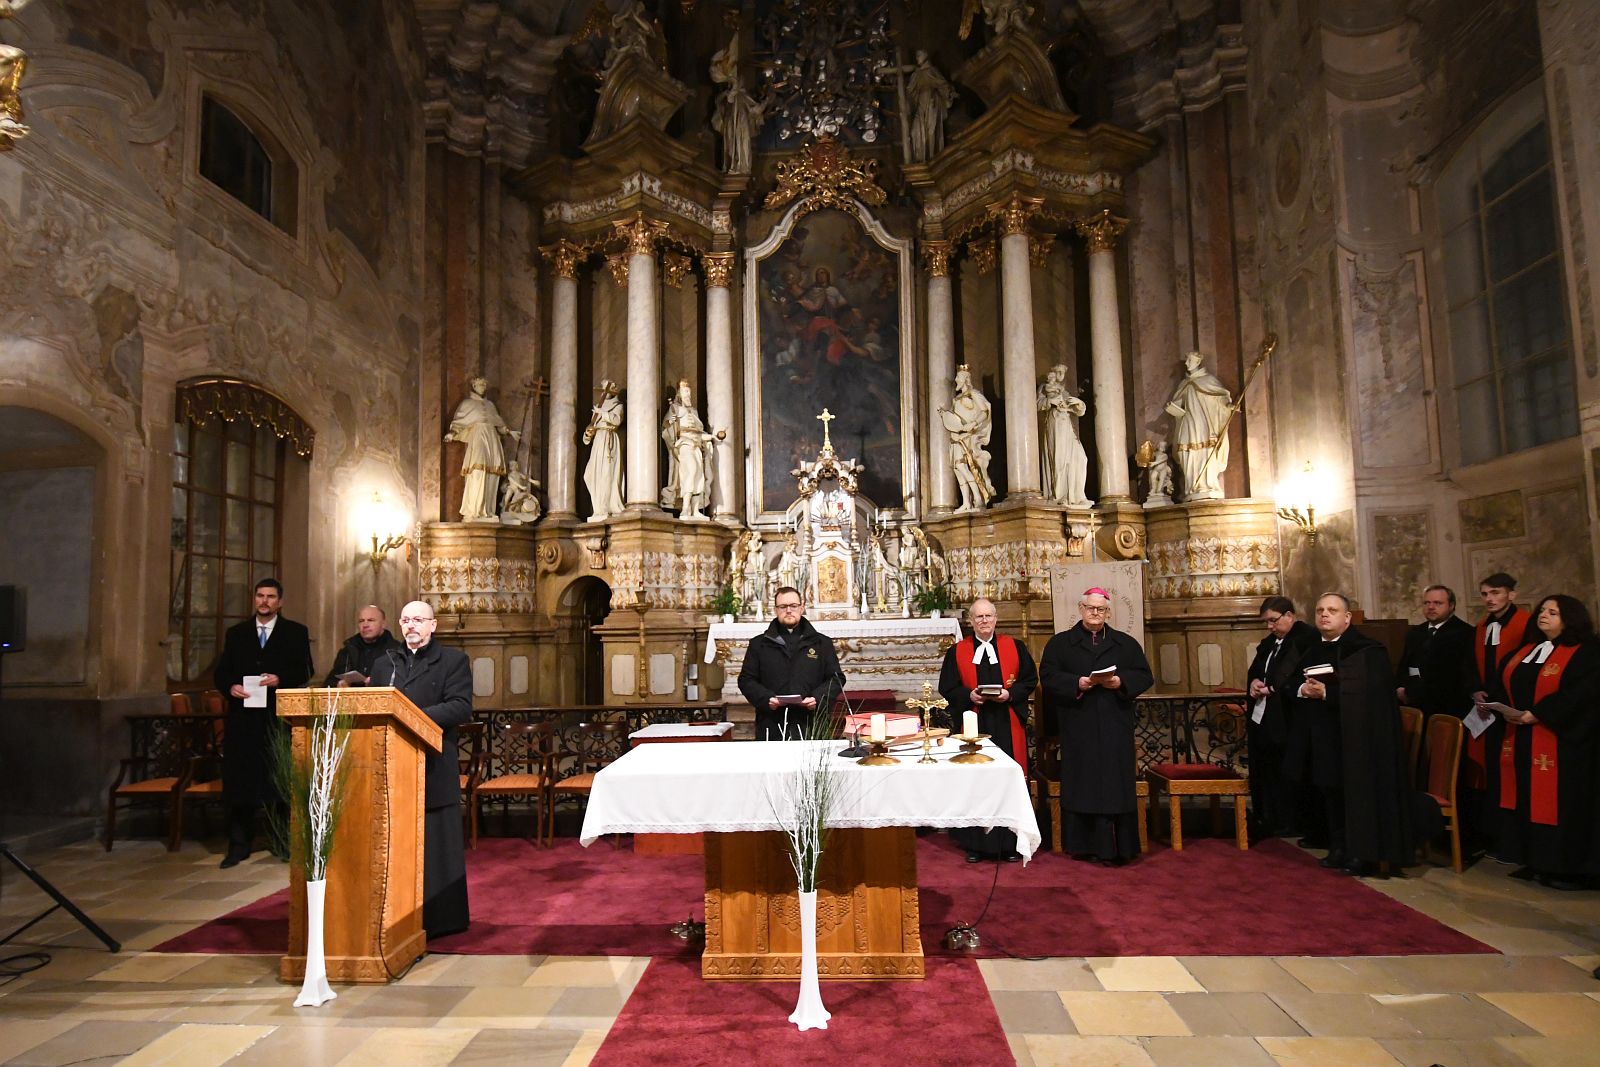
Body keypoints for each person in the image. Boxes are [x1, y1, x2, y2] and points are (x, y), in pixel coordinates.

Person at [1287, 593, 1413, 877]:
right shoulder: (1311, 649)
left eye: (1332, 610)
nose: (1324, 615)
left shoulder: (1368, 650)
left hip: (1360, 739)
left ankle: (1362, 853)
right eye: (1319, 610)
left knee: (1356, 793)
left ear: (1347, 617)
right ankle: (1339, 846)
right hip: (1325, 736)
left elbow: (1374, 693)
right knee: (1331, 790)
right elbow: (1291, 681)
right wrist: (1302, 689)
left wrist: (1327, 693)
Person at [369, 600, 474, 938]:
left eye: (418, 620)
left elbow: (459, 707)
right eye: (406, 620)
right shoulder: (385, 664)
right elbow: (374, 706)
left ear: (434, 625)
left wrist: (412, 718)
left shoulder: (453, 661)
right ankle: (397, 914)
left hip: (433, 765)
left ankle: (442, 919)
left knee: (436, 848)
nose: (411, 625)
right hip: (393, 768)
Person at [1488, 594, 1599, 890]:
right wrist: (1505, 708)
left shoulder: (1586, 652)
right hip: (1524, 735)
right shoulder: (1529, 648)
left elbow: (1580, 694)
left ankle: (1569, 868)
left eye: (1553, 612)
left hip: (1564, 742)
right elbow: (1506, 679)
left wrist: (1538, 714)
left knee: (1562, 803)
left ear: (1570, 619)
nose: (1544, 615)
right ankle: (1536, 861)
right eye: (1542, 610)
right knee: (1527, 798)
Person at [1038, 588, 1153, 864]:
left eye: (1100, 609)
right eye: (1090, 608)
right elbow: (1049, 676)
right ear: (1081, 609)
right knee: (1084, 784)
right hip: (1079, 725)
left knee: (1115, 785)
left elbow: (1144, 675)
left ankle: (1120, 847)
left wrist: (1120, 682)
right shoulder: (1061, 644)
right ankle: (1083, 845)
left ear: (1108, 612)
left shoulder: (1125, 643)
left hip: (1115, 724)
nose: (1095, 613)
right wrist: (1076, 683)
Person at [213, 578, 313, 869]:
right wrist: (230, 686)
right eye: (260, 596)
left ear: (280, 602)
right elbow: (222, 672)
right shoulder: (237, 633)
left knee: (278, 780)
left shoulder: (295, 632)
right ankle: (238, 845)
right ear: (254, 599)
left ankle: (282, 841)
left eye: (270, 596)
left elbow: (306, 668)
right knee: (240, 782)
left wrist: (280, 679)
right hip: (243, 719)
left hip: (277, 717)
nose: (264, 601)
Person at [938, 597, 1037, 862]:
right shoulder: (957, 651)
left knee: (1008, 779)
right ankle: (976, 844)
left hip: (1007, 722)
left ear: (996, 619)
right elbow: (947, 687)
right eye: (979, 617)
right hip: (974, 722)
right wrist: (969, 696)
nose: (984, 621)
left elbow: (1029, 680)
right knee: (975, 781)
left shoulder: (1014, 647)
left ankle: (1010, 843)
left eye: (988, 616)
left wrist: (1010, 693)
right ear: (970, 621)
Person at [1245, 596, 1316, 838]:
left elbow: (1296, 675)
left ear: (1289, 616)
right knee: (1268, 767)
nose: (1270, 626)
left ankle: (1290, 819)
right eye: (1266, 622)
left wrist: (1274, 688)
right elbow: (1257, 669)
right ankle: (1269, 815)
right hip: (1266, 717)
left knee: (1288, 769)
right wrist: (1254, 682)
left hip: (1289, 717)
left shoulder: (1305, 640)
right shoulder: (1270, 643)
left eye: (1273, 621)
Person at [737, 586, 846, 741]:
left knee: (813, 765)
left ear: (801, 608)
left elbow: (836, 679)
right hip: (772, 722)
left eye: (793, 606)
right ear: (775, 610)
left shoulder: (822, 643)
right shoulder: (758, 644)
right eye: (783, 606)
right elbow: (746, 680)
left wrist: (818, 698)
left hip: (811, 721)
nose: (788, 610)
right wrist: (766, 699)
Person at [445, 376, 521, 522]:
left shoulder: (491, 405)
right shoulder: (467, 403)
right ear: (473, 386)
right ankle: (474, 511)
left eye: (484, 385)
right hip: (478, 438)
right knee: (477, 471)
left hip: (492, 439)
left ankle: (488, 511)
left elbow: (499, 423)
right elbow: (459, 423)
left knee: (492, 473)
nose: (482, 387)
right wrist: (451, 434)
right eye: (479, 384)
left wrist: (510, 432)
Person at [1396, 585, 1475, 718]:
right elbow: (1405, 666)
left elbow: (1461, 675)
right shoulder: (1415, 633)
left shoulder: (1465, 633)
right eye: (1427, 603)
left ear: (1451, 605)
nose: (1431, 607)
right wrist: (1400, 688)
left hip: (1449, 708)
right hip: (1415, 705)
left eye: (1437, 603)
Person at [1165, 351, 1233, 501]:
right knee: (1186, 452)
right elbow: (1179, 402)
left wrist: (1228, 406)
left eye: (1190, 360)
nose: (1187, 363)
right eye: (1187, 360)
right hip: (1187, 422)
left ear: (1198, 362)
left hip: (1203, 423)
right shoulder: (1183, 383)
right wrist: (1173, 406)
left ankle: (1208, 484)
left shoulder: (1208, 380)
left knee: (1205, 450)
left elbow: (1220, 399)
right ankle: (1191, 486)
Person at [941, 365, 995, 513]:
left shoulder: (973, 394)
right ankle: (966, 502)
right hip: (957, 436)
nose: (956, 380)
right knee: (958, 468)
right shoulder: (956, 398)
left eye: (958, 377)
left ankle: (978, 498)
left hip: (969, 436)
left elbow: (985, 411)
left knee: (965, 466)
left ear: (965, 379)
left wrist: (973, 424)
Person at [1038, 365, 1091, 507]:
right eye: (1059, 372)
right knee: (1059, 459)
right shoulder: (1044, 388)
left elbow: (1078, 411)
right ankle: (1060, 495)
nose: (1061, 375)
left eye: (1063, 373)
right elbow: (1037, 404)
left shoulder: (1065, 392)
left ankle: (1077, 495)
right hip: (1055, 425)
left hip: (1068, 427)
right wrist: (1051, 402)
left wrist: (1079, 404)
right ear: (1053, 374)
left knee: (1081, 458)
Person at [324, 604, 401, 687]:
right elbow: (329, 682)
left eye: (371, 620)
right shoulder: (348, 649)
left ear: (383, 624)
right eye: (361, 621)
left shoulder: (395, 650)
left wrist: (375, 683)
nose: (365, 625)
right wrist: (338, 684)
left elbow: (401, 683)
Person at [582, 380, 625, 521]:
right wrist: (588, 435)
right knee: (589, 475)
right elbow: (592, 427)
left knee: (607, 473)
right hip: (599, 441)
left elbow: (617, 420)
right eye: (603, 389)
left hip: (609, 439)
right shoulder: (598, 407)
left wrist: (603, 413)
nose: (605, 392)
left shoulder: (618, 406)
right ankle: (598, 508)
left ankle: (606, 507)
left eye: (608, 389)